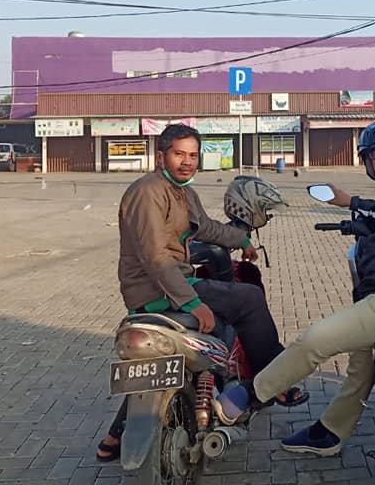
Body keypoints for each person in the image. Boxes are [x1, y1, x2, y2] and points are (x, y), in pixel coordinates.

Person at [214, 117, 375, 456]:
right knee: (359, 369)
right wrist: (350, 203)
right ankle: (331, 432)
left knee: (314, 340)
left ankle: (249, 394)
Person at [97, 124, 307, 462]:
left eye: (193, 155)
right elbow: (156, 257)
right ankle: (273, 380)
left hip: (168, 285)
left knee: (172, 359)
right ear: (161, 156)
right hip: (157, 290)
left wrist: (243, 240)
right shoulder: (148, 192)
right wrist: (193, 303)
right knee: (248, 299)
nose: (187, 162)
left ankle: (113, 438)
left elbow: (206, 228)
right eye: (179, 154)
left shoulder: (182, 191)